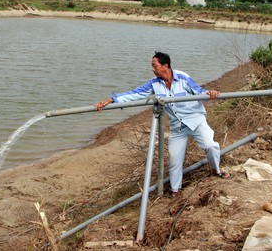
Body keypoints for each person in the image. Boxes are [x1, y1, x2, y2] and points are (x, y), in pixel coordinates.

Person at [94, 51, 231, 197]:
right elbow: (135, 93)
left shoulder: (183, 78)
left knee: (210, 146)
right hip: (178, 126)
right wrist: (112, 100)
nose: (153, 69)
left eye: (155, 66)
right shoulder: (154, 83)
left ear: (165, 66)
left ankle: (215, 170)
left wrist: (211, 93)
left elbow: (199, 91)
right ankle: (175, 190)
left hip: (195, 120)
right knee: (174, 160)